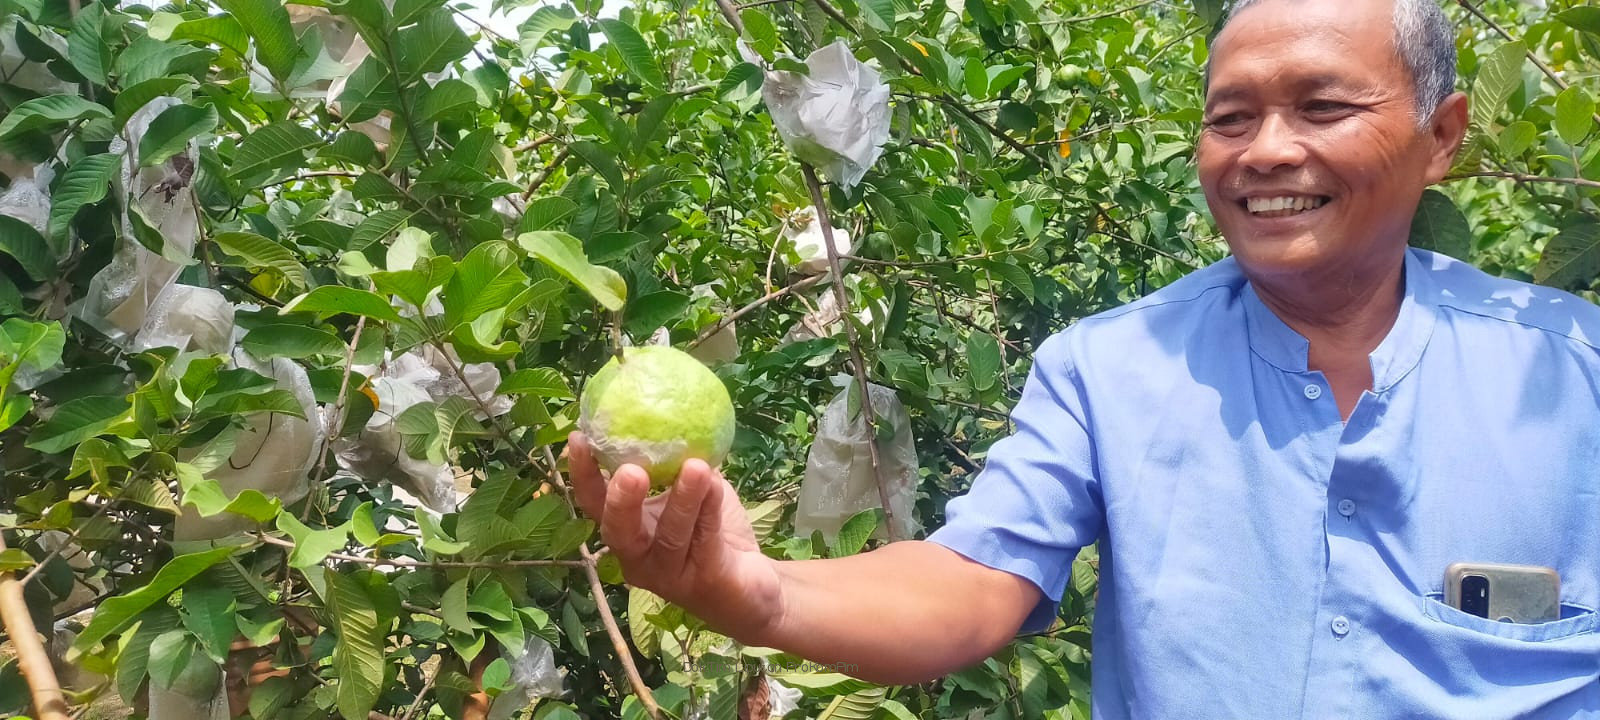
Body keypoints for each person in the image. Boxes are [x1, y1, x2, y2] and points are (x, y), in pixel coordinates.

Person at [569, 0, 1600, 714]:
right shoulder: (1110, 369)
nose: (1266, 149)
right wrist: (759, 593)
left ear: (1441, 135)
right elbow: (973, 582)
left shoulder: (1575, 371)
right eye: (1228, 117)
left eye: (1323, 107)